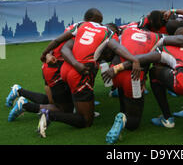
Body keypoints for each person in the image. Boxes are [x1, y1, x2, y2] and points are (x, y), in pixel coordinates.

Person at [36, 10, 141, 138]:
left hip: (65, 68)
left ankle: (75, 109)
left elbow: (60, 42)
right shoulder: (109, 33)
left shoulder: (82, 25)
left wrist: (44, 53)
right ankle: (50, 115)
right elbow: (117, 48)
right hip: (81, 72)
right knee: (86, 121)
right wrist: (134, 59)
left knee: (74, 103)